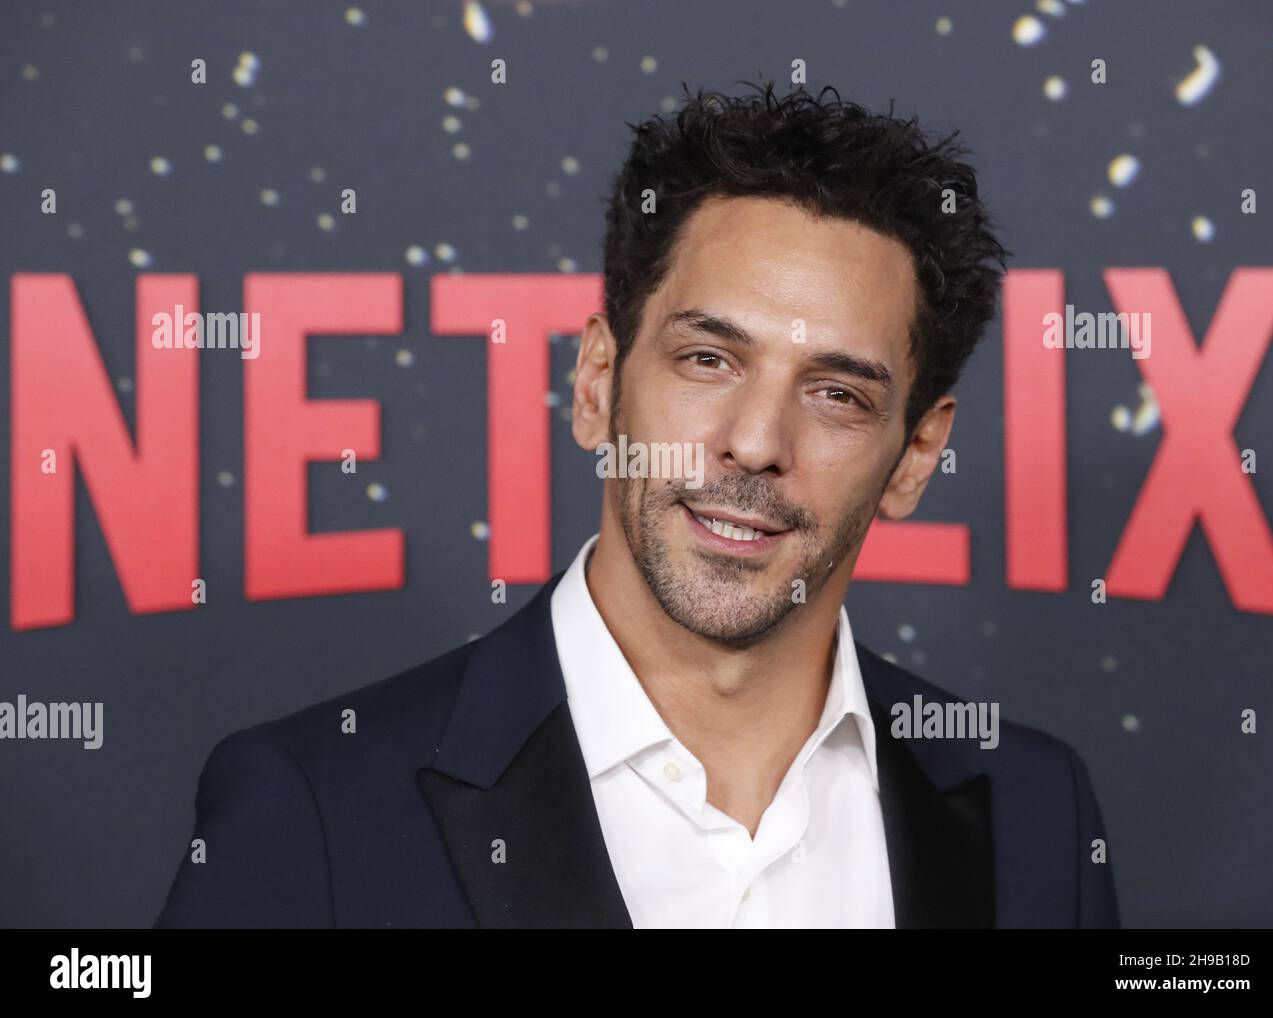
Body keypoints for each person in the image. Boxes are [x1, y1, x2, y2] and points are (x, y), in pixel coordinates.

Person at [155, 81, 1120, 929]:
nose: (755, 443)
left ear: (915, 457)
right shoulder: (318, 807)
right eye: (708, 359)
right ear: (595, 382)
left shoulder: (1035, 812)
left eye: (837, 394)